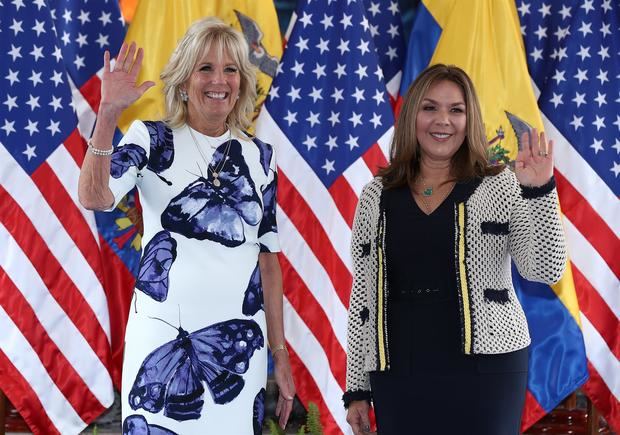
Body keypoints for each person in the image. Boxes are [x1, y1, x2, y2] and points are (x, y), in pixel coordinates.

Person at [78, 17, 295, 434]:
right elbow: (94, 197)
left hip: (235, 352)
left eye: (231, 69)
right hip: (158, 349)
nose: (220, 80)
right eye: (206, 68)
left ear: (242, 81)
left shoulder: (261, 157)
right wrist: (108, 114)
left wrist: (280, 353)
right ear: (183, 80)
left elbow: (268, 259)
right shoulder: (150, 138)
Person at [343, 64, 567, 435]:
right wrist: (357, 389)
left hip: (488, 369)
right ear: (412, 113)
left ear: (470, 119)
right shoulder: (375, 195)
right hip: (400, 371)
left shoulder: (502, 185)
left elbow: (545, 270)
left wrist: (539, 191)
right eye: (430, 108)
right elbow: (362, 299)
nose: (442, 121)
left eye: (456, 110)